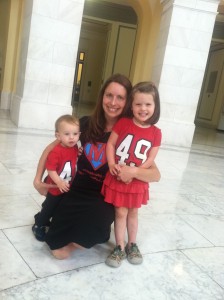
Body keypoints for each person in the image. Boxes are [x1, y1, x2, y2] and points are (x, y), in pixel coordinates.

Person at [33, 74, 161, 260]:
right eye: (109, 95)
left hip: (105, 195)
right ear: (102, 97)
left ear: (128, 102)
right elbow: (51, 148)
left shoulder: (129, 133)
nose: (113, 102)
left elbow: (155, 174)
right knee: (57, 249)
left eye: (120, 97)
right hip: (77, 188)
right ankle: (50, 216)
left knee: (86, 236)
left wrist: (133, 171)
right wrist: (38, 179)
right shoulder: (84, 123)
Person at [101, 81, 161, 268]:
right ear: (131, 106)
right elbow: (111, 144)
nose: (143, 108)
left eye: (148, 104)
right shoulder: (124, 123)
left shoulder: (156, 132)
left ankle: (131, 244)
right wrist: (112, 164)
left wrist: (135, 173)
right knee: (120, 212)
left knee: (133, 212)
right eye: (138, 104)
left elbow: (151, 157)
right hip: (117, 176)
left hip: (136, 181)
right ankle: (118, 245)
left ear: (155, 106)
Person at [32, 114, 80, 241]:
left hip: (66, 185)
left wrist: (78, 154)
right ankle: (38, 224)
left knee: (59, 207)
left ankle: (42, 217)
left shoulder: (74, 147)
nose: (72, 137)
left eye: (75, 134)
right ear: (58, 136)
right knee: (49, 207)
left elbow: (72, 162)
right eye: (67, 134)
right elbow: (51, 170)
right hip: (55, 187)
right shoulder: (56, 151)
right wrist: (58, 182)